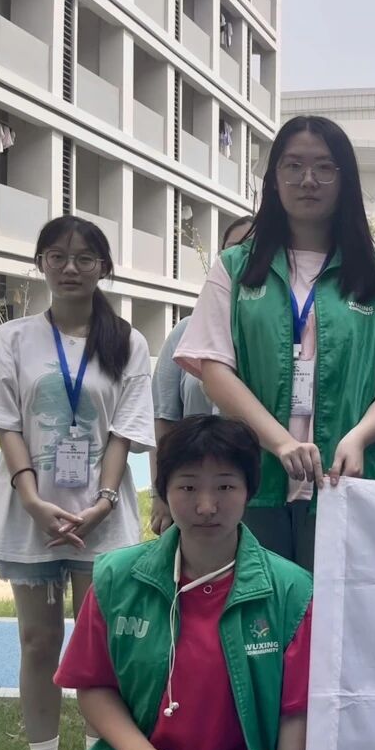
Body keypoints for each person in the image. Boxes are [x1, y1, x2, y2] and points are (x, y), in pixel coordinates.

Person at [12, 415, 313, 750]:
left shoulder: (291, 591)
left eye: (225, 487)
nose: (206, 506)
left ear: (250, 490)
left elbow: (294, 718)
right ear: (164, 490)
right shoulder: (119, 577)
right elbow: (93, 683)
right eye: (188, 486)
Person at [175, 115, 375, 570]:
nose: (307, 180)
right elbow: (214, 369)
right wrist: (279, 443)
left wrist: (357, 438)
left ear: (345, 179)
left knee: (332, 608)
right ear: (274, 178)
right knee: (256, 602)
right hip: (252, 478)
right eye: (293, 166)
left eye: (324, 167)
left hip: (343, 480)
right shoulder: (235, 267)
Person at [0, 216, 153, 750]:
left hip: (102, 515)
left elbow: (125, 431)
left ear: (104, 266)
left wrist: (102, 502)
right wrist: (31, 498)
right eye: (56, 256)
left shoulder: (127, 342)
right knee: (38, 640)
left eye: (84, 258)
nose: (70, 268)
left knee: (101, 645)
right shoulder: (11, 339)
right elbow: (6, 423)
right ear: (41, 264)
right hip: (30, 512)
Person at [148, 214, 254, 534]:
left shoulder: (286, 339)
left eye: (254, 250)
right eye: (232, 250)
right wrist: (160, 493)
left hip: (256, 491)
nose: (242, 260)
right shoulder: (186, 332)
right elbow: (164, 420)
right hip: (195, 493)